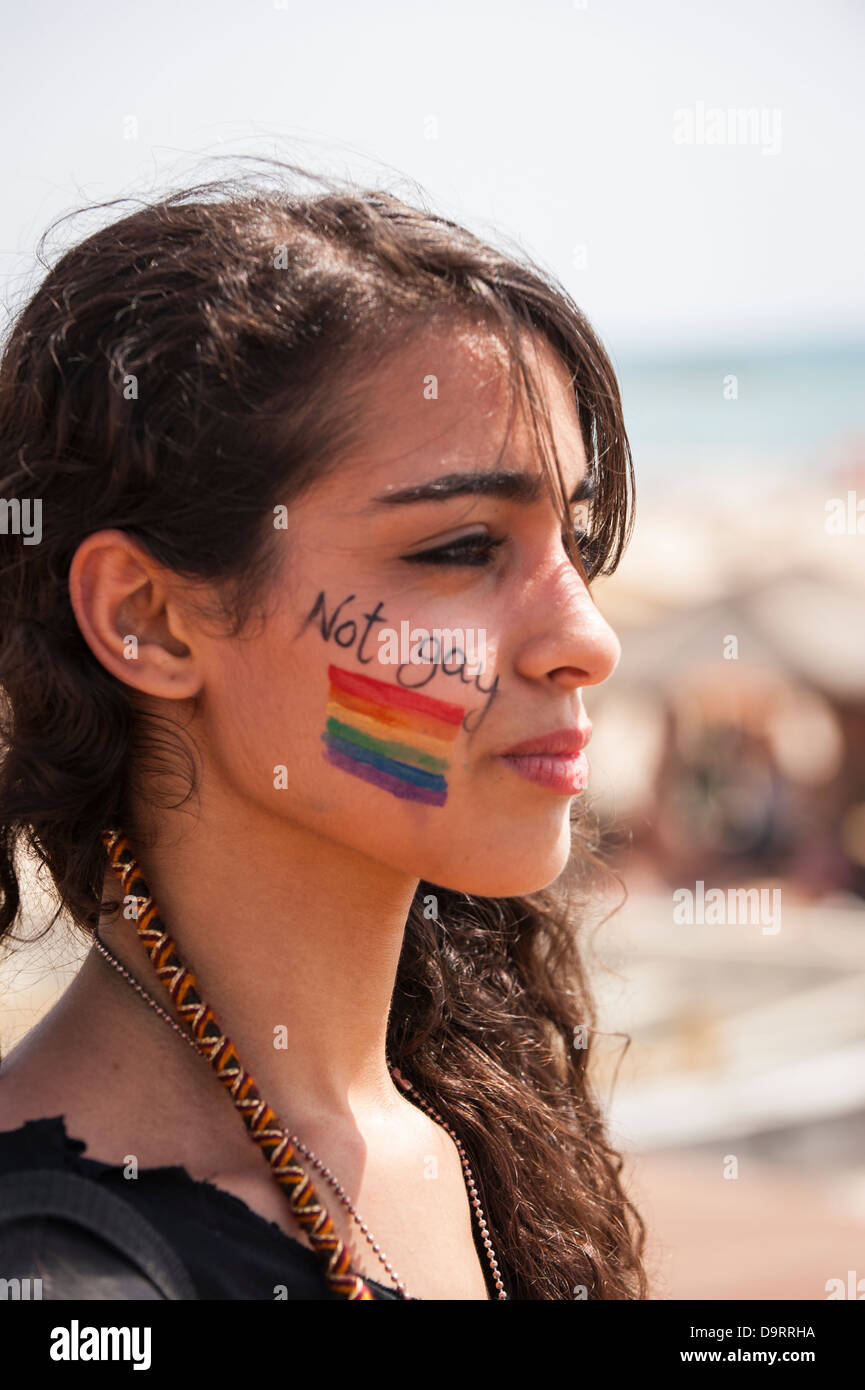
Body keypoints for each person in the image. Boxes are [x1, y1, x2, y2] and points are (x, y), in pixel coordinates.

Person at [0, 163, 646, 1300]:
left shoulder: (480, 1117)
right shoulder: (67, 1272)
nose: (586, 637)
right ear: (149, 620)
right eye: (457, 548)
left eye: (576, 540)